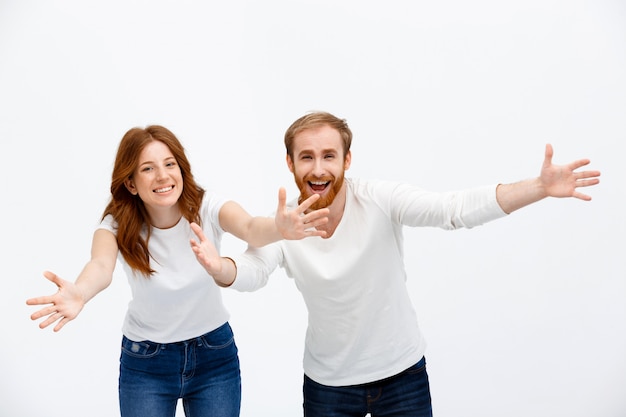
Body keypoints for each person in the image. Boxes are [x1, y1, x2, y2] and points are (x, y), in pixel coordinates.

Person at [189, 111, 601, 417]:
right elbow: (251, 271)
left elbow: (452, 210)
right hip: (329, 386)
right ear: (290, 164)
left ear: (347, 161)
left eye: (329, 156)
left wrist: (540, 188)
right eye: (307, 157)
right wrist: (218, 266)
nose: (318, 169)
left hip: (401, 375)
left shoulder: (379, 199)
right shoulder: (286, 223)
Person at [26, 125, 330, 417]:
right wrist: (80, 292)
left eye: (169, 164)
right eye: (147, 168)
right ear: (130, 183)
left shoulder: (206, 206)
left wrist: (280, 228)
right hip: (146, 363)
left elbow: (251, 228)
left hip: (214, 354)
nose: (162, 176)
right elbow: (101, 266)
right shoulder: (115, 226)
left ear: (181, 169)